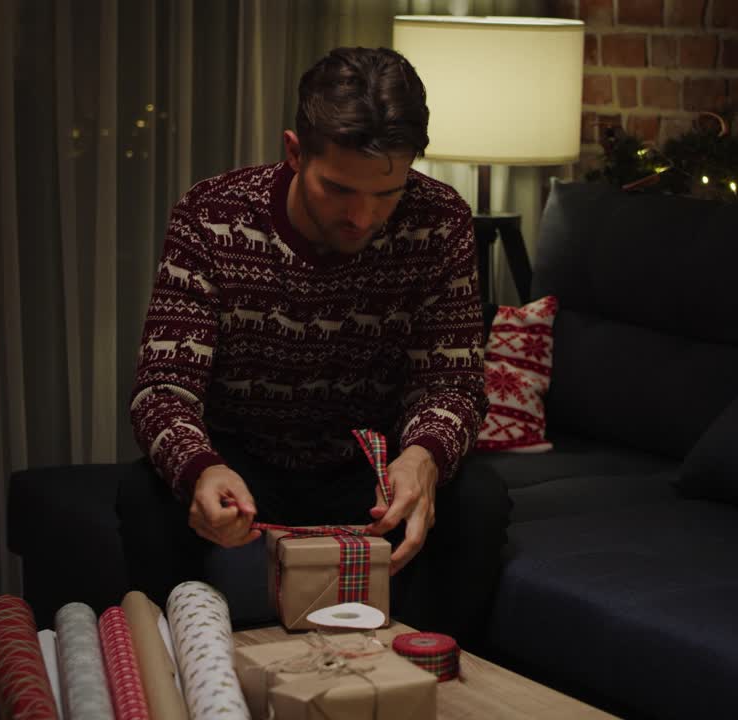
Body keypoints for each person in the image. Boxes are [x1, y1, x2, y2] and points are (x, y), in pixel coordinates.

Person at [121, 46, 511, 649]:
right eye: (339, 190)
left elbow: (451, 382)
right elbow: (163, 386)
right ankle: (186, 687)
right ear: (295, 152)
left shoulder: (441, 221)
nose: (363, 217)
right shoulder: (212, 214)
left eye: (387, 195)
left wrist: (423, 457)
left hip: (370, 467)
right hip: (240, 460)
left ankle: (422, 674)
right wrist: (200, 467)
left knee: (478, 500)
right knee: (148, 496)